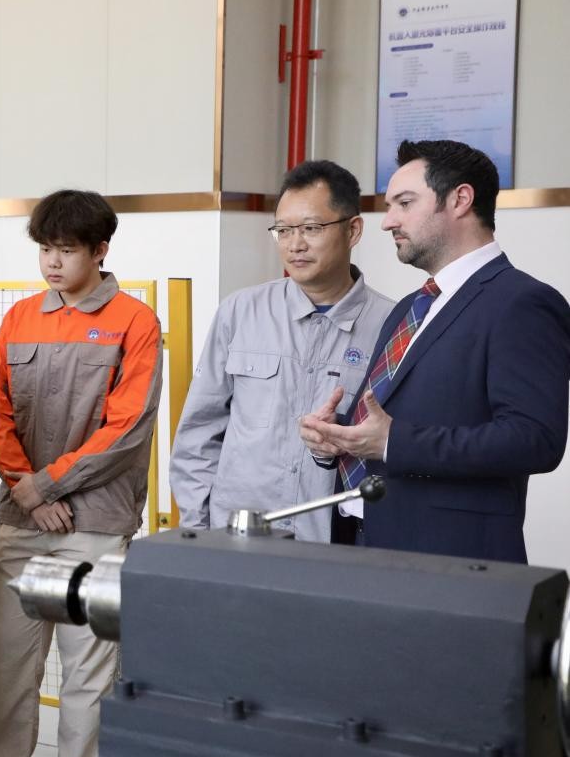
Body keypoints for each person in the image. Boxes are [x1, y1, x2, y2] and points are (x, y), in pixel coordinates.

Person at [300, 139, 570, 562]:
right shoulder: (411, 306)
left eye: (405, 203)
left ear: (460, 199)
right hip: (363, 543)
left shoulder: (523, 303)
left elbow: (535, 440)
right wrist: (339, 438)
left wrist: (394, 443)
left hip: (448, 560)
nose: (388, 222)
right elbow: (398, 420)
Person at [0, 190, 161, 757]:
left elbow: (126, 427)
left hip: (96, 524)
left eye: (66, 250)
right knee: (7, 666)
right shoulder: (19, 318)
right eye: (45, 250)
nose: (52, 263)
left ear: (100, 250)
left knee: (89, 672)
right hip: (23, 519)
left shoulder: (135, 322)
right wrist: (27, 492)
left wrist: (48, 485)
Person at [171, 160, 394, 540]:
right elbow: (198, 434)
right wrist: (197, 532)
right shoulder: (239, 312)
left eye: (311, 228)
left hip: (333, 542)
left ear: (353, 230)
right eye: (284, 230)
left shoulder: (392, 325)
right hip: (238, 534)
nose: (295, 245)